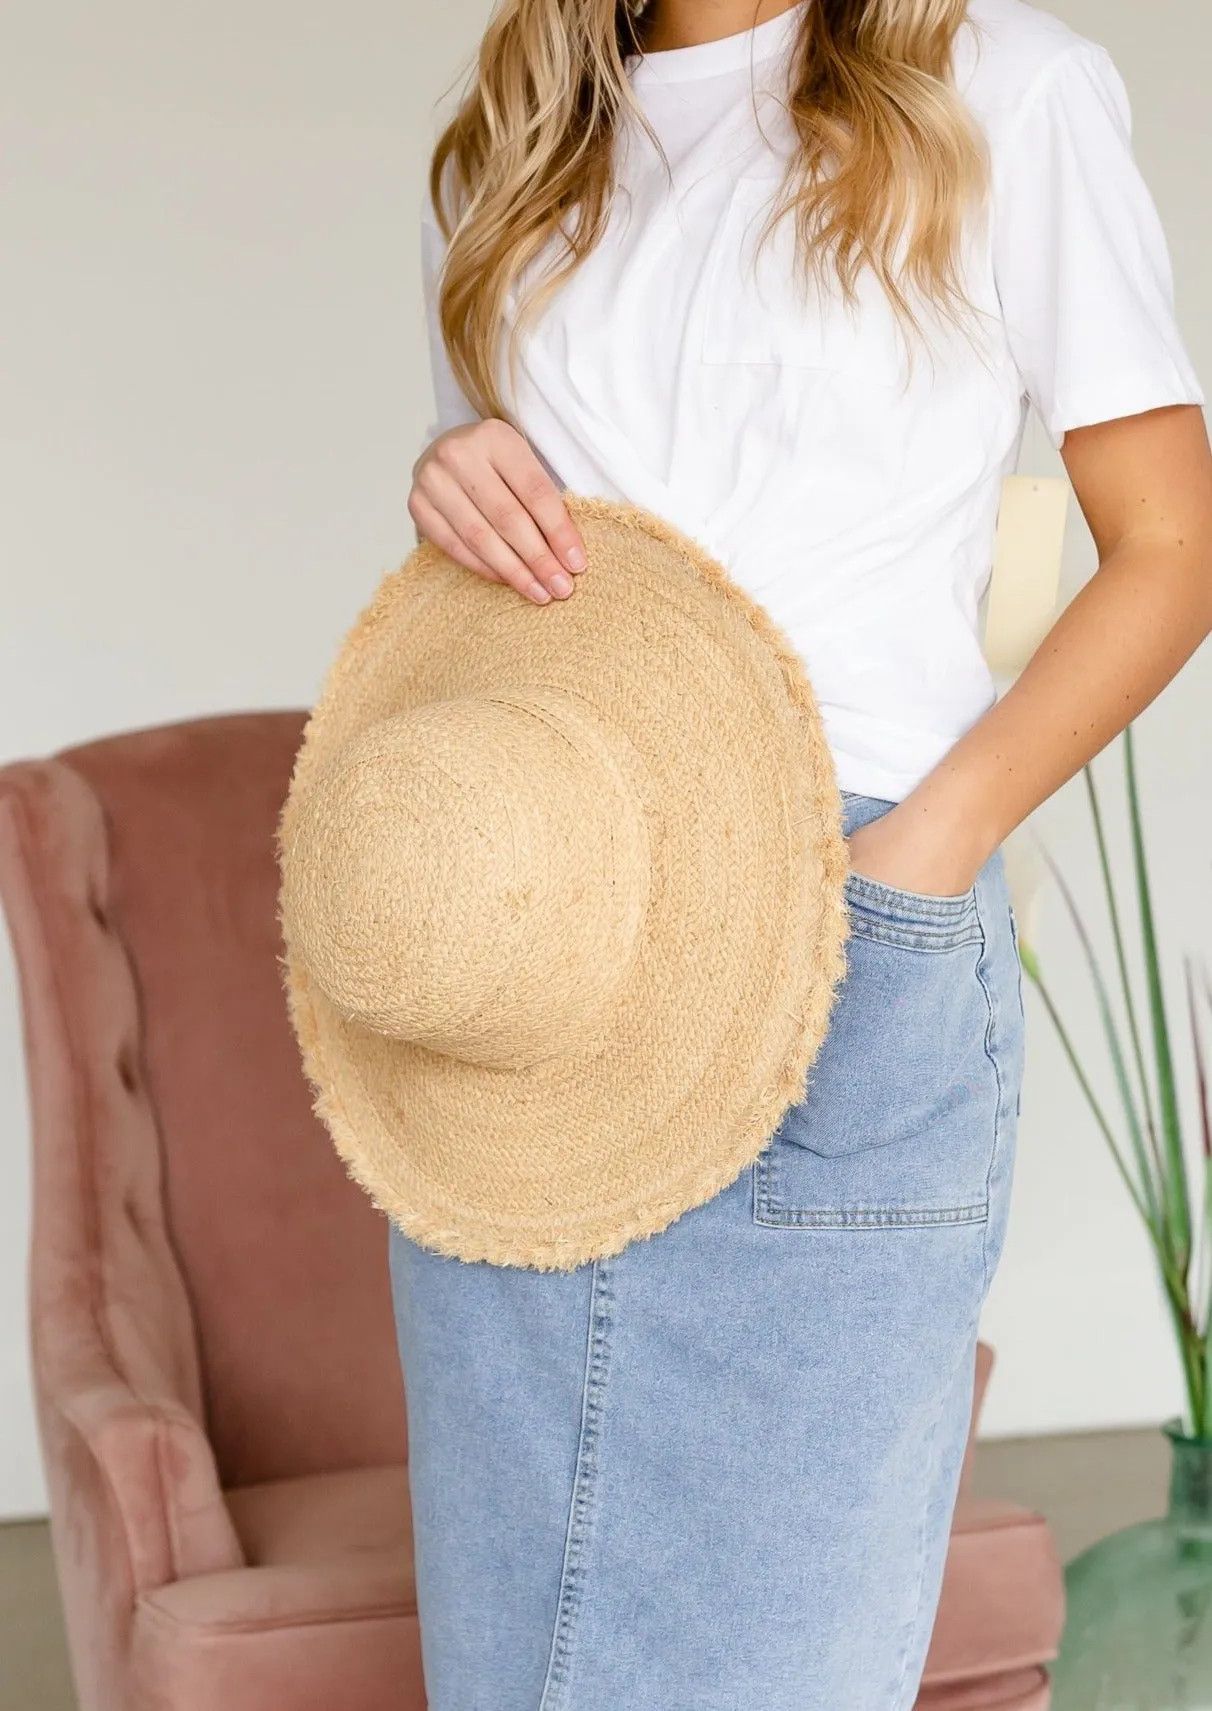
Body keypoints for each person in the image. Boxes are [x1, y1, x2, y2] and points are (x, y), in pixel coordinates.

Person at [391, 0, 1212, 1705]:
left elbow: (1171, 546)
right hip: (548, 947)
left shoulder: (1005, 89)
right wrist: (458, 465)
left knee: (783, 1658)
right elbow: (552, 570)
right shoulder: (520, 154)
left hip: (846, 919)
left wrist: (931, 845)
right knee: (516, 1660)